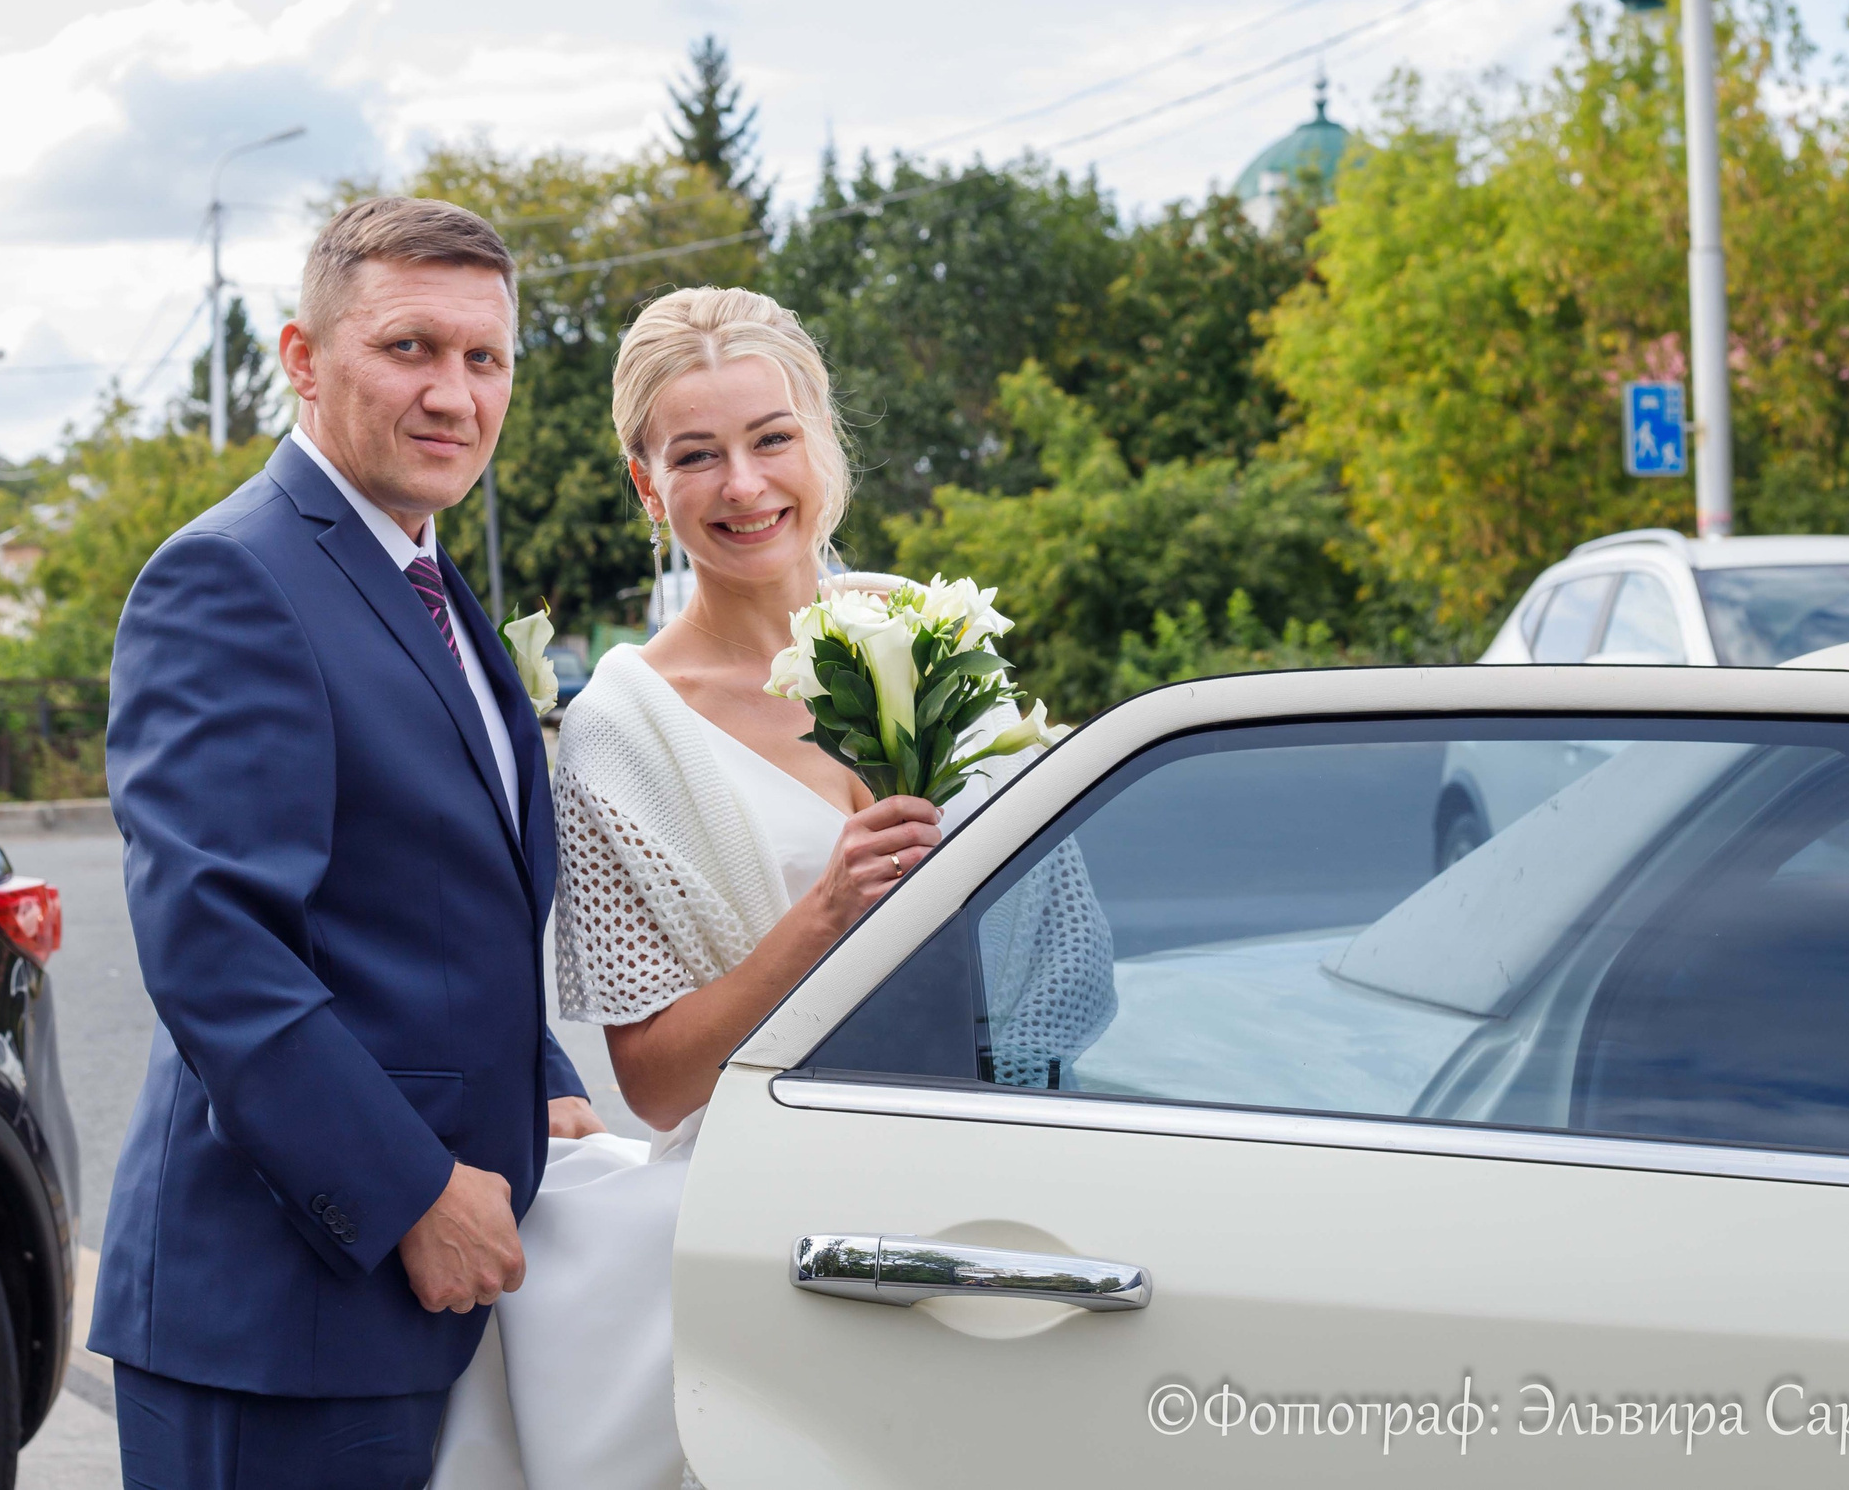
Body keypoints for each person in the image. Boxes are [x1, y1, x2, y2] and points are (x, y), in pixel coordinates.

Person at [431, 286, 1110, 1489]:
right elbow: (654, 1085)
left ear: (821, 443)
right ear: (648, 487)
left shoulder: (929, 635)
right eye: (697, 455)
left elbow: (1071, 972)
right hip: (777, 1214)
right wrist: (822, 917)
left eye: (771, 438)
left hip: (993, 1186)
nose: (743, 485)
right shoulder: (623, 731)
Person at [93, 196, 605, 1490]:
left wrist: (534, 1067)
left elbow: (418, 894)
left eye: (484, 358)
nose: (454, 394)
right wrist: (410, 1191)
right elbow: (217, 949)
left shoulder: (420, 578)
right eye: (409, 348)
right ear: (304, 359)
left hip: (403, 1306)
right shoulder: (232, 577)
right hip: (282, 1309)